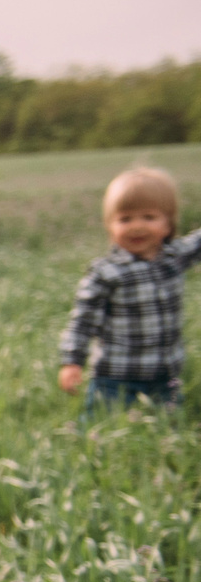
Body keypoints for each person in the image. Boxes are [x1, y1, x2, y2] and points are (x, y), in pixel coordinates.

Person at [58, 165, 197, 416]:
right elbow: (82, 322)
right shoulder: (106, 273)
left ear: (168, 224)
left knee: (167, 432)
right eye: (125, 219)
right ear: (110, 226)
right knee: (101, 430)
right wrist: (72, 361)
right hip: (115, 378)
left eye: (148, 217)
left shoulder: (174, 259)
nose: (136, 226)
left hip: (165, 377)